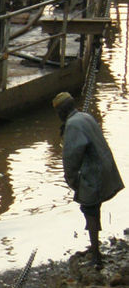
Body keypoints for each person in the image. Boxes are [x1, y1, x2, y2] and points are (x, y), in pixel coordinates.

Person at [52, 91, 123, 270]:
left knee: (89, 209)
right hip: (106, 167)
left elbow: (71, 159)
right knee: (93, 208)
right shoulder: (85, 117)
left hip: (95, 172)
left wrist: (73, 181)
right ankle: (95, 247)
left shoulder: (73, 125)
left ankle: (96, 257)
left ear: (60, 112)